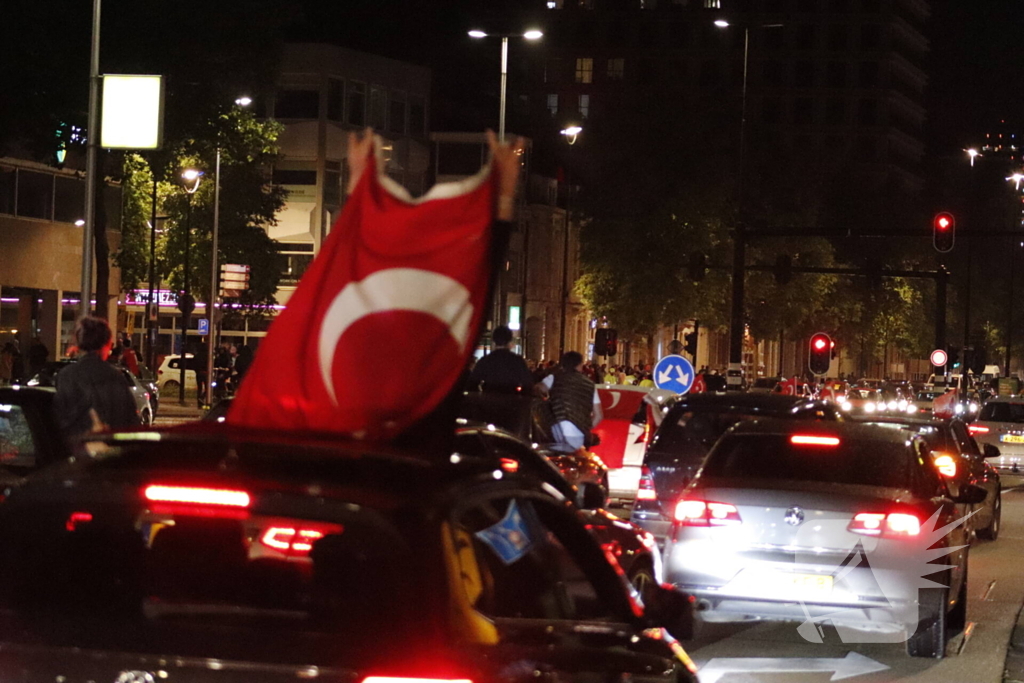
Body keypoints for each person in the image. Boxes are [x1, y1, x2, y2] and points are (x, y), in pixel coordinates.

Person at [53, 316, 139, 441]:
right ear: (106, 343)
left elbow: (60, 418)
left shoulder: (67, 375)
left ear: (78, 342)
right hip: (111, 446)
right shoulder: (115, 376)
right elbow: (130, 421)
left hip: (77, 446)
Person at [542, 351, 603, 450]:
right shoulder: (589, 384)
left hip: (555, 432)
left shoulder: (554, 378)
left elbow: (537, 390)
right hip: (578, 436)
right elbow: (599, 416)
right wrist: (585, 428)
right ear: (579, 365)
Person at [467, 325, 534, 394]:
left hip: (489, 398)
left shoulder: (485, 360)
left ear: (494, 341)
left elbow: (472, 384)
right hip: (511, 398)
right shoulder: (517, 361)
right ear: (509, 341)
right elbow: (527, 384)